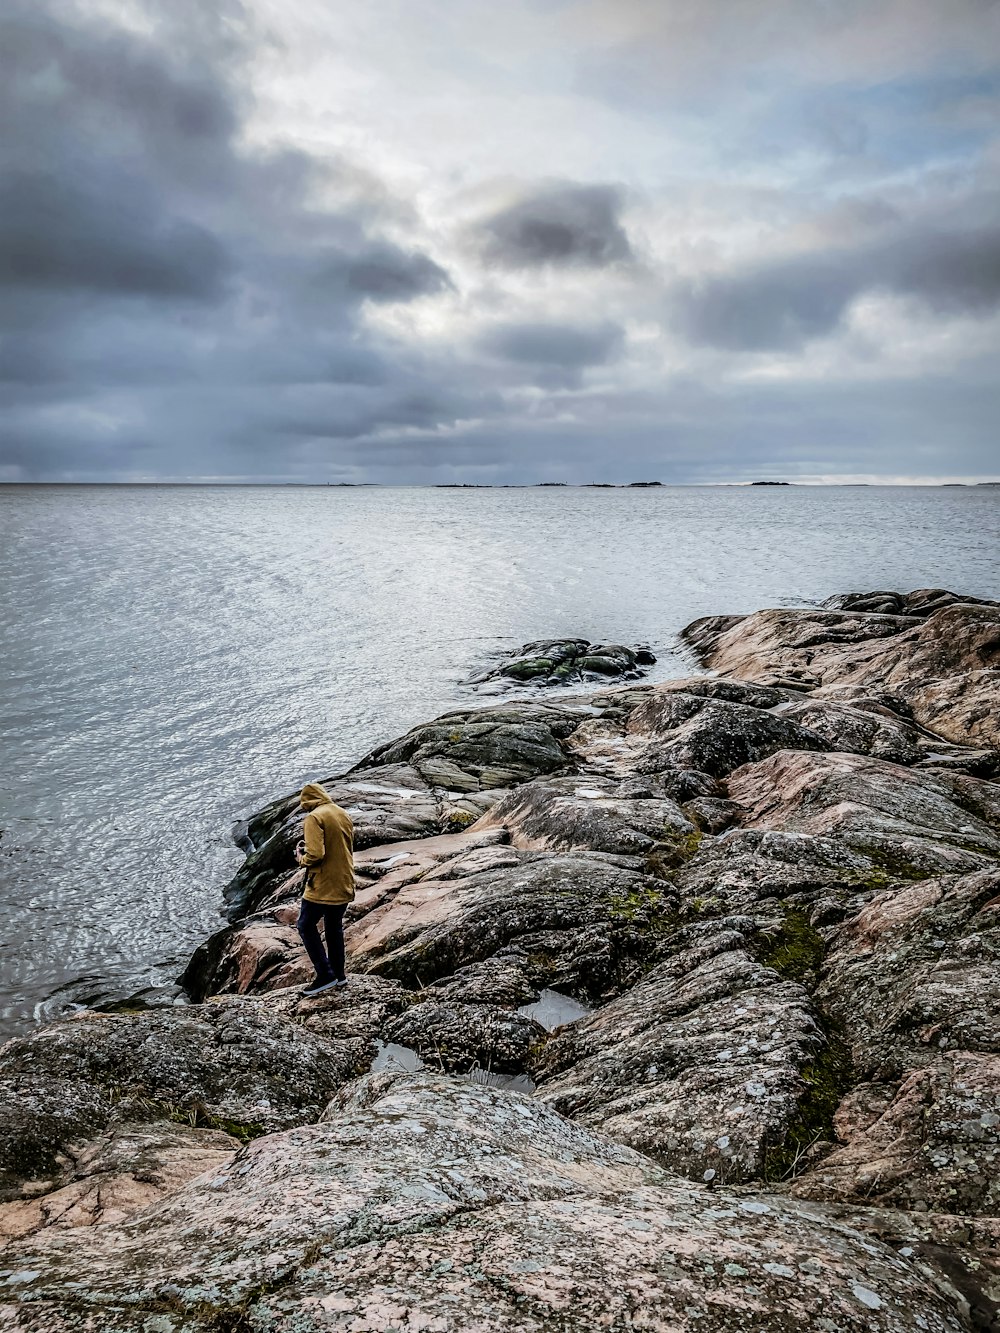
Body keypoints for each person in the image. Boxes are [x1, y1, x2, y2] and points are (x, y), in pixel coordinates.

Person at [294, 781, 355, 997]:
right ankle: (339, 975)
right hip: (344, 880)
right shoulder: (341, 812)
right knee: (333, 927)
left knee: (305, 925)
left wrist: (301, 858)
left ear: (308, 801)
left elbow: (316, 855)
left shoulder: (314, 817)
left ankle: (324, 975)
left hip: (322, 885)